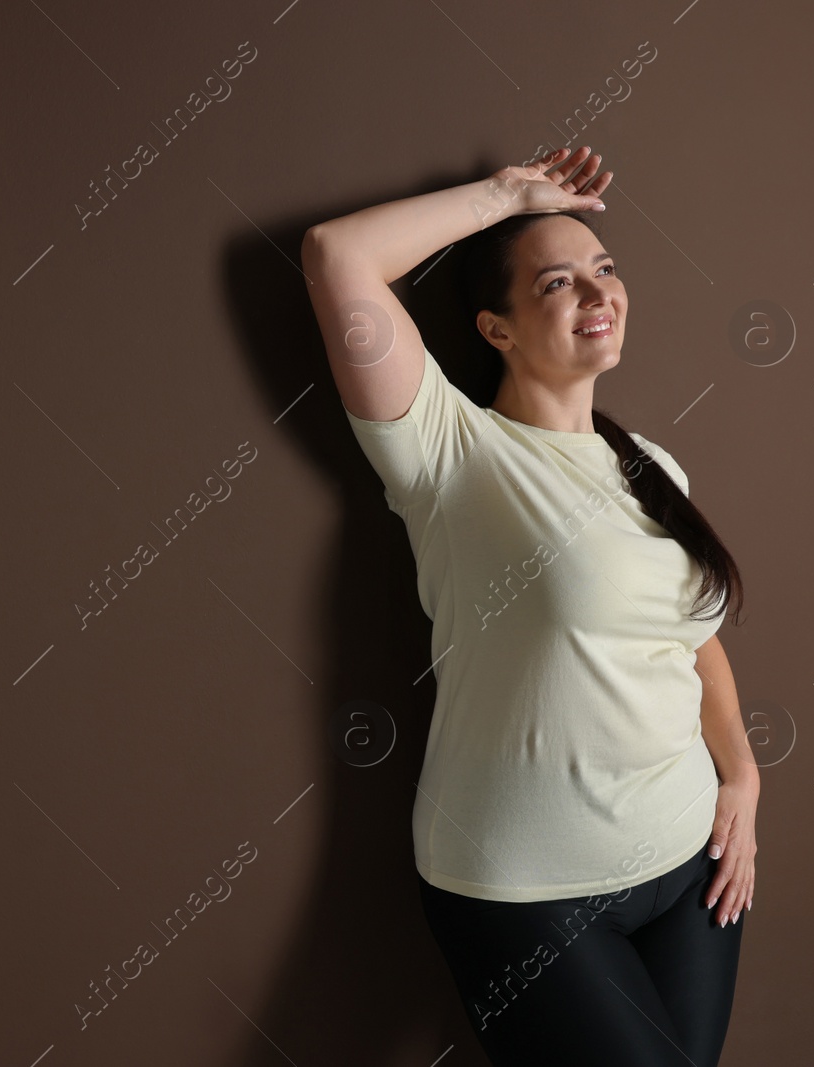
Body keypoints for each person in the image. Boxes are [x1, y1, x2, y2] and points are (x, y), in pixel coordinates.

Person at [302, 146, 759, 1066]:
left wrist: (743, 774)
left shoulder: (653, 468)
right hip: (525, 896)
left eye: (606, 269)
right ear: (496, 328)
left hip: (692, 867)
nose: (599, 292)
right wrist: (508, 195)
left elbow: (692, 641)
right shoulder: (449, 452)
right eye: (558, 281)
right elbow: (334, 256)